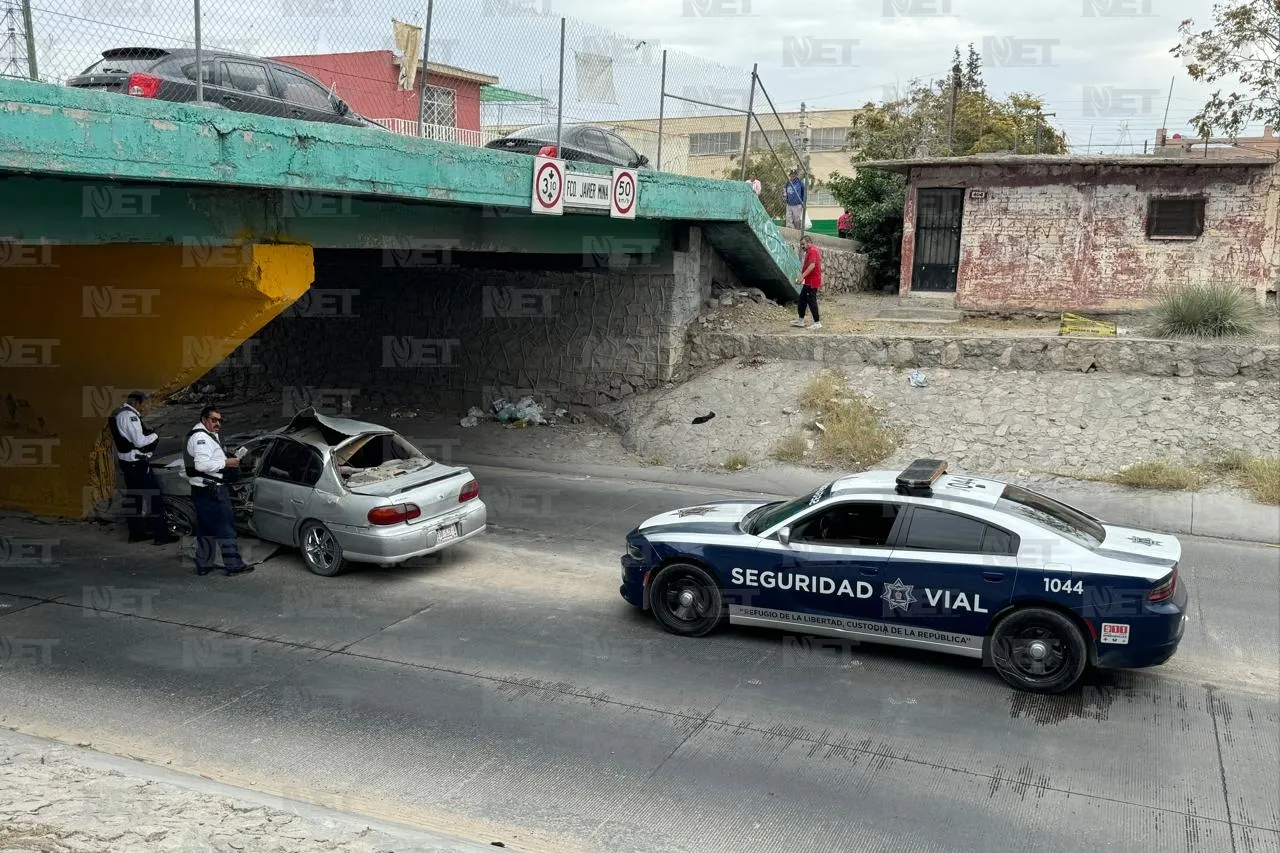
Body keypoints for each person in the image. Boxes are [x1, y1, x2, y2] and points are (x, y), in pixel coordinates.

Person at [184, 406, 251, 576]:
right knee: (225, 528)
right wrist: (226, 463)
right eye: (214, 420)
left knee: (206, 529)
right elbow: (200, 465)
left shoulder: (204, 435)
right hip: (212, 490)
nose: (218, 424)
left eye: (220, 420)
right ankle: (234, 565)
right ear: (204, 419)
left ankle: (204, 565)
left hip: (203, 489)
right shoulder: (201, 437)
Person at [108, 391, 179, 545]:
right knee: (154, 498)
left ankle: (136, 533)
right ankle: (161, 535)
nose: (145, 407)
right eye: (144, 403)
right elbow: (140, 441)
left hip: (127, 463)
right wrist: (154, 435)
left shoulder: (119, 414)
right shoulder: (130, 416)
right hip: (138, 463)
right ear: (136, 403)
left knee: (135, 499)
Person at [791, 234, 822, 330]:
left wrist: (801, 277)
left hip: (812, 282)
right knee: (802, 300)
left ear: (809, 242)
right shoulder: (810, 250)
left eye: (803, 244)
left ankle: (817, 323)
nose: (802, 246)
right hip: (809, 281)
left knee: (811, 301)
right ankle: (800, 320)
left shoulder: (812, 250)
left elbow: (812, 266)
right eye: (801, 244)